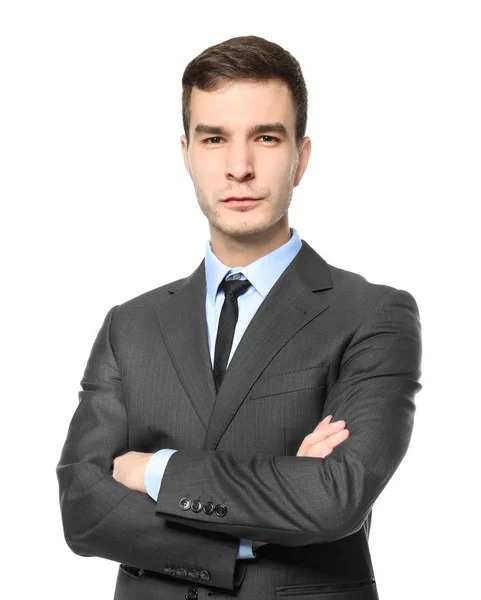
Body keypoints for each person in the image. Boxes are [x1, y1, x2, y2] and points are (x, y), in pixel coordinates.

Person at [56, 35, 422, 600]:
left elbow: (334, 498)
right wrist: (264, 516)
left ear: (301, 157)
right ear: (186, 155)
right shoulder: (129, 325)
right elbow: (82, 509)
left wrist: (155, 471)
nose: (240, 167)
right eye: (215, 138)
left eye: (266, 138)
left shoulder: (374, 314)